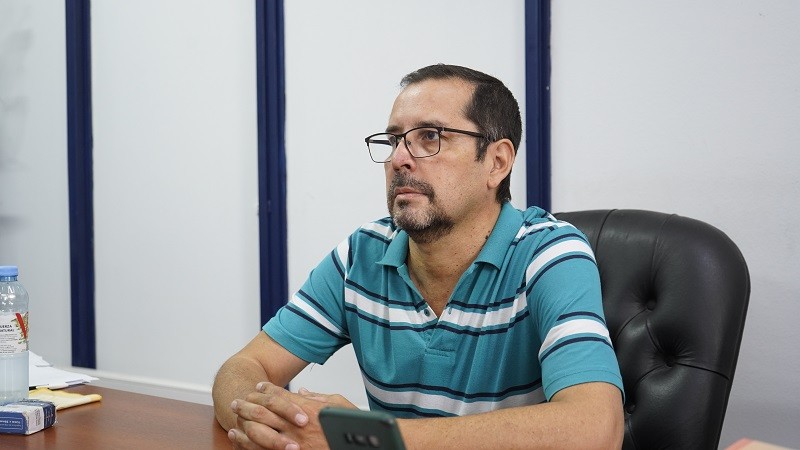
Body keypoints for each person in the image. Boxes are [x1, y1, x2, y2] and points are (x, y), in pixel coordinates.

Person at [213, 64, 624, 450]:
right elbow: (244, 366)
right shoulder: (361, 253)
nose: (398, 159)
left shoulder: (550, 255)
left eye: (430, 137)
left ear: (497, 162)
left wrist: (367, 438)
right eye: (394, 140)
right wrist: (267, 421)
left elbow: (597, 429)